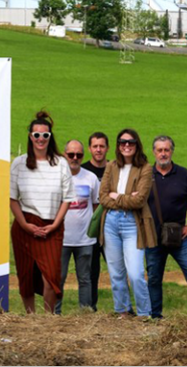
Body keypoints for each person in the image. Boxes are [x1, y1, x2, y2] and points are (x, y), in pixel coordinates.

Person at [10, 111, 75, 314]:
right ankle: (31, 319)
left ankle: (48, 320)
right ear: (30, 136)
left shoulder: (61, 163)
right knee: (26, 274)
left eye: (45, 135)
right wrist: (24, 225)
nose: (40, 139)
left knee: (51, 277)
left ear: (50, 137)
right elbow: (12, 199)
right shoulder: (19, 164)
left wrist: (55, 224)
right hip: (25, 223)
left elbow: (67, 198)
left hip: (52, 225)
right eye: (36, 135)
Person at [146, 135, 187, 319]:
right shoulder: (145, 175)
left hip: (179, 237)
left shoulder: (183, 174)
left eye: (166, 149)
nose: (163, 153)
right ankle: (155, 317)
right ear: (154, 152)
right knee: (153, 279)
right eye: (159, 150)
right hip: (153, 237)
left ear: (172, 151)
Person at [99, 129, 156, 317]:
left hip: (134, 223)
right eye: (122, 142)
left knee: (136, 273)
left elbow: (139, 200)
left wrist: (116, 196)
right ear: (118, 145)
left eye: (130, 142)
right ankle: (122, 310)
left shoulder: (145, 168)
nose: (126, 145)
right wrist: (125, 198)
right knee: (116, 273)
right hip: (111, 222)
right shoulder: (111, 166)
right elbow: (102, 197)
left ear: (137, 145)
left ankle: (144, 313)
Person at [55, 140, 100, 315]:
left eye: (79, 155)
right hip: (61, 239)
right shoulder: (57, 177)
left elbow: (96, 205)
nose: (75, 158)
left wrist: (93, 230)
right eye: (71, 154)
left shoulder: (90, 178)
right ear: (64, 155)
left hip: (85, 239)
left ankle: (85, 315)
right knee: (58, 278)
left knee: (85, 279)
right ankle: (55, 316)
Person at [82, 132, 109, 311]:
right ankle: (90, 307)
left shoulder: (114, 168)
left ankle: (124, 307)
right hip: (90, 229)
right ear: (90, 148)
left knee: (117, 268)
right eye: (95, 146)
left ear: (107, 148)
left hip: (111, 228)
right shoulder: (83, 171)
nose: (98, 150)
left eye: (102, 146)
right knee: (91, 270)